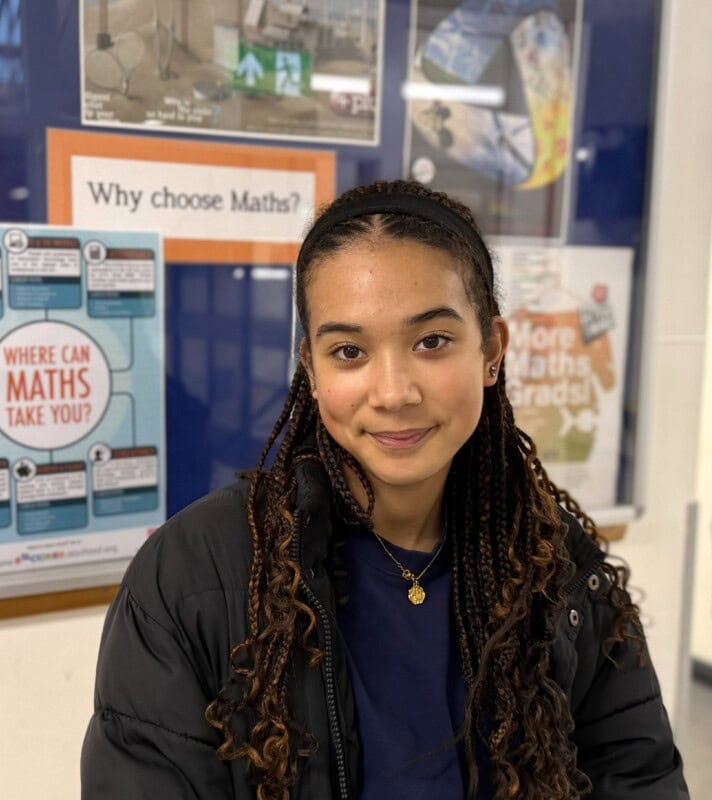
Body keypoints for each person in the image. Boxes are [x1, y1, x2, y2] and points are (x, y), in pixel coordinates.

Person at [80, 180, 688, 799]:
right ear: (310, 369)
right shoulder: (193, 576)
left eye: (432, 342)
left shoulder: (556, 563)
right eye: (349, 351)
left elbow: (640, 779)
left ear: (492, 350)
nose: (394, 392)